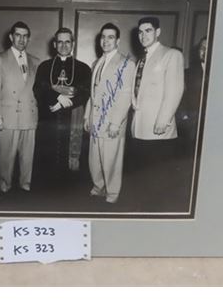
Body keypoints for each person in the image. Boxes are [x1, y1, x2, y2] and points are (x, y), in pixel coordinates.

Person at [84, 23, 135, 204]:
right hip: (95, 119)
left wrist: (116, 122)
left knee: (111, 159)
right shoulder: (96, 63)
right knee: (95, 158)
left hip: (112, 121)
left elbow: (126, 96)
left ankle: (112, 193)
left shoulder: (126, 64)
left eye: (110, 37)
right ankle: (98, 186)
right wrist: (87, 116)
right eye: (103, 37)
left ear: (118, 41)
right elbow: (92, 94)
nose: (106, 41)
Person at [33, 28, 91, 187]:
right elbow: (39, 88)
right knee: (47, 157)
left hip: (72, 118)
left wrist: (66, 103)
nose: (64, 45)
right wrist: (58, 98)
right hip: (49, 118)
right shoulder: (44, 66)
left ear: (73, 44)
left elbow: (86, 92)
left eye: (67, 42)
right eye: (60, 42)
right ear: (54, 44)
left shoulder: (83, 68)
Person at [0, 22, 40, 193]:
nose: (21, 39)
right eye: (18, 35)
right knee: (5, 157)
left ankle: (26, 185)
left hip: (29, 116)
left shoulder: (35, 61)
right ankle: (5, 186)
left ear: (29, 39)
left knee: (27, 157)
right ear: (11, 37)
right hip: (8, 116)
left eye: (25, 36)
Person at [130, 16, 185, 167]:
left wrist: (163, 120)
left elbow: (175, 90)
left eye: (148, 31)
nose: (143, 35)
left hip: (158, 128)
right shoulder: (141, 59)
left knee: (157, 174)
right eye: (140, 32)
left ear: (158, 32)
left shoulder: (171, 55)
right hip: (139, 126)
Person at [177, 36, 207, 152]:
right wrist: (184, 116)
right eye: (202, 48)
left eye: (208, 48)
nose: (204, 51)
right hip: (191, 121)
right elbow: (180, 96)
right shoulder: (187, 73)